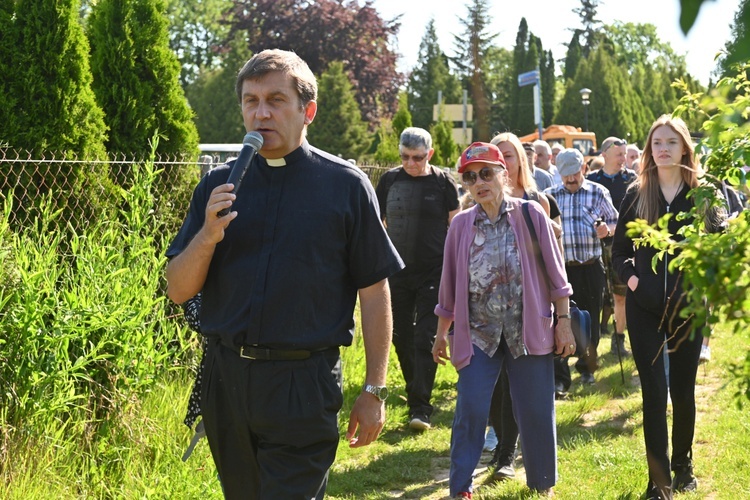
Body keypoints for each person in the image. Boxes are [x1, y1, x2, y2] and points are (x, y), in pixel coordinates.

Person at [165, 49, 404, 499]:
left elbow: (375, 292)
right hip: (226, 381)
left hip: (303, 385)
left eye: (275, 100)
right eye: (251, 101)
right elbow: (178, 289)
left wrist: (375, 388)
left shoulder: (346, 186)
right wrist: (207, 237)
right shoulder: (217, 186)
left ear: (307, 110)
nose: (261, 113)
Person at [433, 142, 575, 498]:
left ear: (503, 174)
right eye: (469, 177)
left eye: (485, 173)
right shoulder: (461, 225)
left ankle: (543, 484)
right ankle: (460, 488)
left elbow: (557, 276)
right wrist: (441, 333)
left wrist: (564, 320)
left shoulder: (530, 215)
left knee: (536, 411)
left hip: (527, 332)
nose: (479, 182)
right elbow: (449, 286)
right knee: (471, 410)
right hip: (479, 335)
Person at [613, 115, 726, 499]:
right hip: (644, 310)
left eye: (671, 142)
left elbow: (719, 249)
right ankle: (658, 479)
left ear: (684, 149)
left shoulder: (704, 194)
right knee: (654, 394)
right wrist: (634, 283)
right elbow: (619, 252)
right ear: (649, 150)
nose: (662, 148)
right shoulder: (635, 193)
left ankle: (683, 467)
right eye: (656, 142)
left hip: (689, 309)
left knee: (682, 390)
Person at [484, 132, 565, 479]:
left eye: (510, 155)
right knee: (496, 385)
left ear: (520, 161)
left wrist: (559, 311)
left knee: (524, 388)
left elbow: (553, 258)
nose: (504, 162)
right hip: (488, 313)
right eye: (497, 156)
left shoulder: (537, 201)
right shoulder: (480, 199)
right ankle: (504, 446)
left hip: (529, 312)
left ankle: (513, 455)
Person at [375, 127, 460, 431]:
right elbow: (379, 224)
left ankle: (420, 407)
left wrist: (456, 264)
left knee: (425, 334)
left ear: (430, 154)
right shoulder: (389, 181)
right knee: (398, 335)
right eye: (405, 157)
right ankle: (416, 389)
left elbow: (456, 224)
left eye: (417, 158)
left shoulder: (442, 183)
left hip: (434, 270)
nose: (411, 163)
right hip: (397, 271)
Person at [545, 149, 618, 393]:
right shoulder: (550, 196)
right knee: (558, 321)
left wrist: (607, 230)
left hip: (590, 266)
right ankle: (560, 378)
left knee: (591, 319)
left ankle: (587, 368)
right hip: (560, 270)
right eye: (565, 175)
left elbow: (616, 222)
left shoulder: (598, 193)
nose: (570, 179)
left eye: (574, 173)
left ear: (583, 169)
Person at [587, 137, 638, 357]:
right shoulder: (591, 180)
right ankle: (590, 346)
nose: (623, 159)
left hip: (623, 247)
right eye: (619, 154)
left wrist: (612, 228)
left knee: (621, 295)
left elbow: (636, 217)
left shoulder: (631, 179)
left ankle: (619, 339)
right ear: (604, 154)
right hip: (594, 247)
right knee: (597, 298)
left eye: (625, 154)